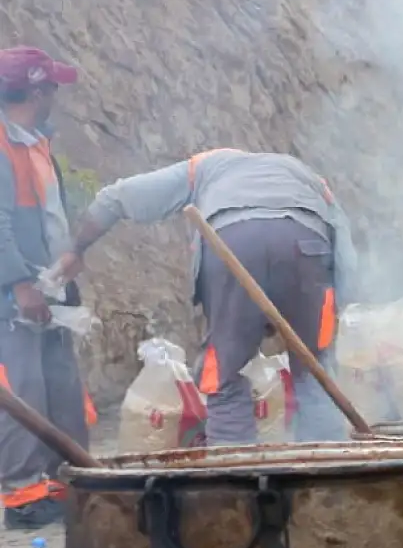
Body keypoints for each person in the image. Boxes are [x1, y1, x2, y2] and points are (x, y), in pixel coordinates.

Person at [66, 148, 355, 446]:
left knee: (224, 375)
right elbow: (345, 256)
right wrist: (327, 316)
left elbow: (117, 197)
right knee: (315, 374)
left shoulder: (206, 166)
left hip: (233, 245)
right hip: (306, 246)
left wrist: (75, 249)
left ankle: (233, 474)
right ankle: (325, 474)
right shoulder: (309, 178)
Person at [0, 47, 89, 529]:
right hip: (14, 295)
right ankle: (24, 498)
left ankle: (70, 484)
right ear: (37, 90)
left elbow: (50, 216)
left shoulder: (36, 142)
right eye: (53, 85)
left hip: (47, 287)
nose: (57, 93)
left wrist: (65, 266)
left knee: (60, 387)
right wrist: (17, 285)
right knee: (24, 390)